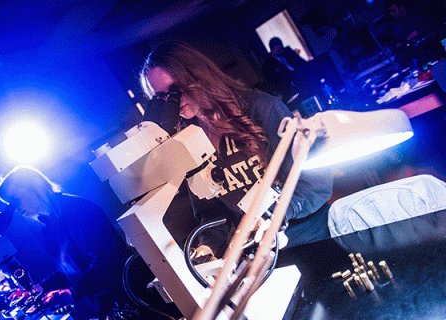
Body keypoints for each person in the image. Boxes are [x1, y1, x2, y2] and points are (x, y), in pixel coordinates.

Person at [139, 41, 333, 262]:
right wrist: (206, 247)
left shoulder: (261, 108)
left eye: (176, 88)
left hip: (311, 237)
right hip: (262, 258)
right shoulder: (189, 142)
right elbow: (212, 213)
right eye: (164, 96)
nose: (176, 100)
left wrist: (275, 216)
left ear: (198, 76)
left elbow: (315, 184)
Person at [0, 165, 135, 319]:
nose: (15, 209)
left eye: (15, 200)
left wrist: (72, 293)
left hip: (128, 298)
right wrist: (40, 288)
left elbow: (110, 260)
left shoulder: (77, 210)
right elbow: (70, 270)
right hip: (103, 305)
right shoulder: (49, 228)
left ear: (32, 185)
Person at [262, 37, 307, 103]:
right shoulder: (268, 65)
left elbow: (302, 63)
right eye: (278, 50)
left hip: (302, 82)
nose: (281, 51)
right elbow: (274, 83)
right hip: (289, 91)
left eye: (281, 48)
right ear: (272, 50)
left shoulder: (288, 51)